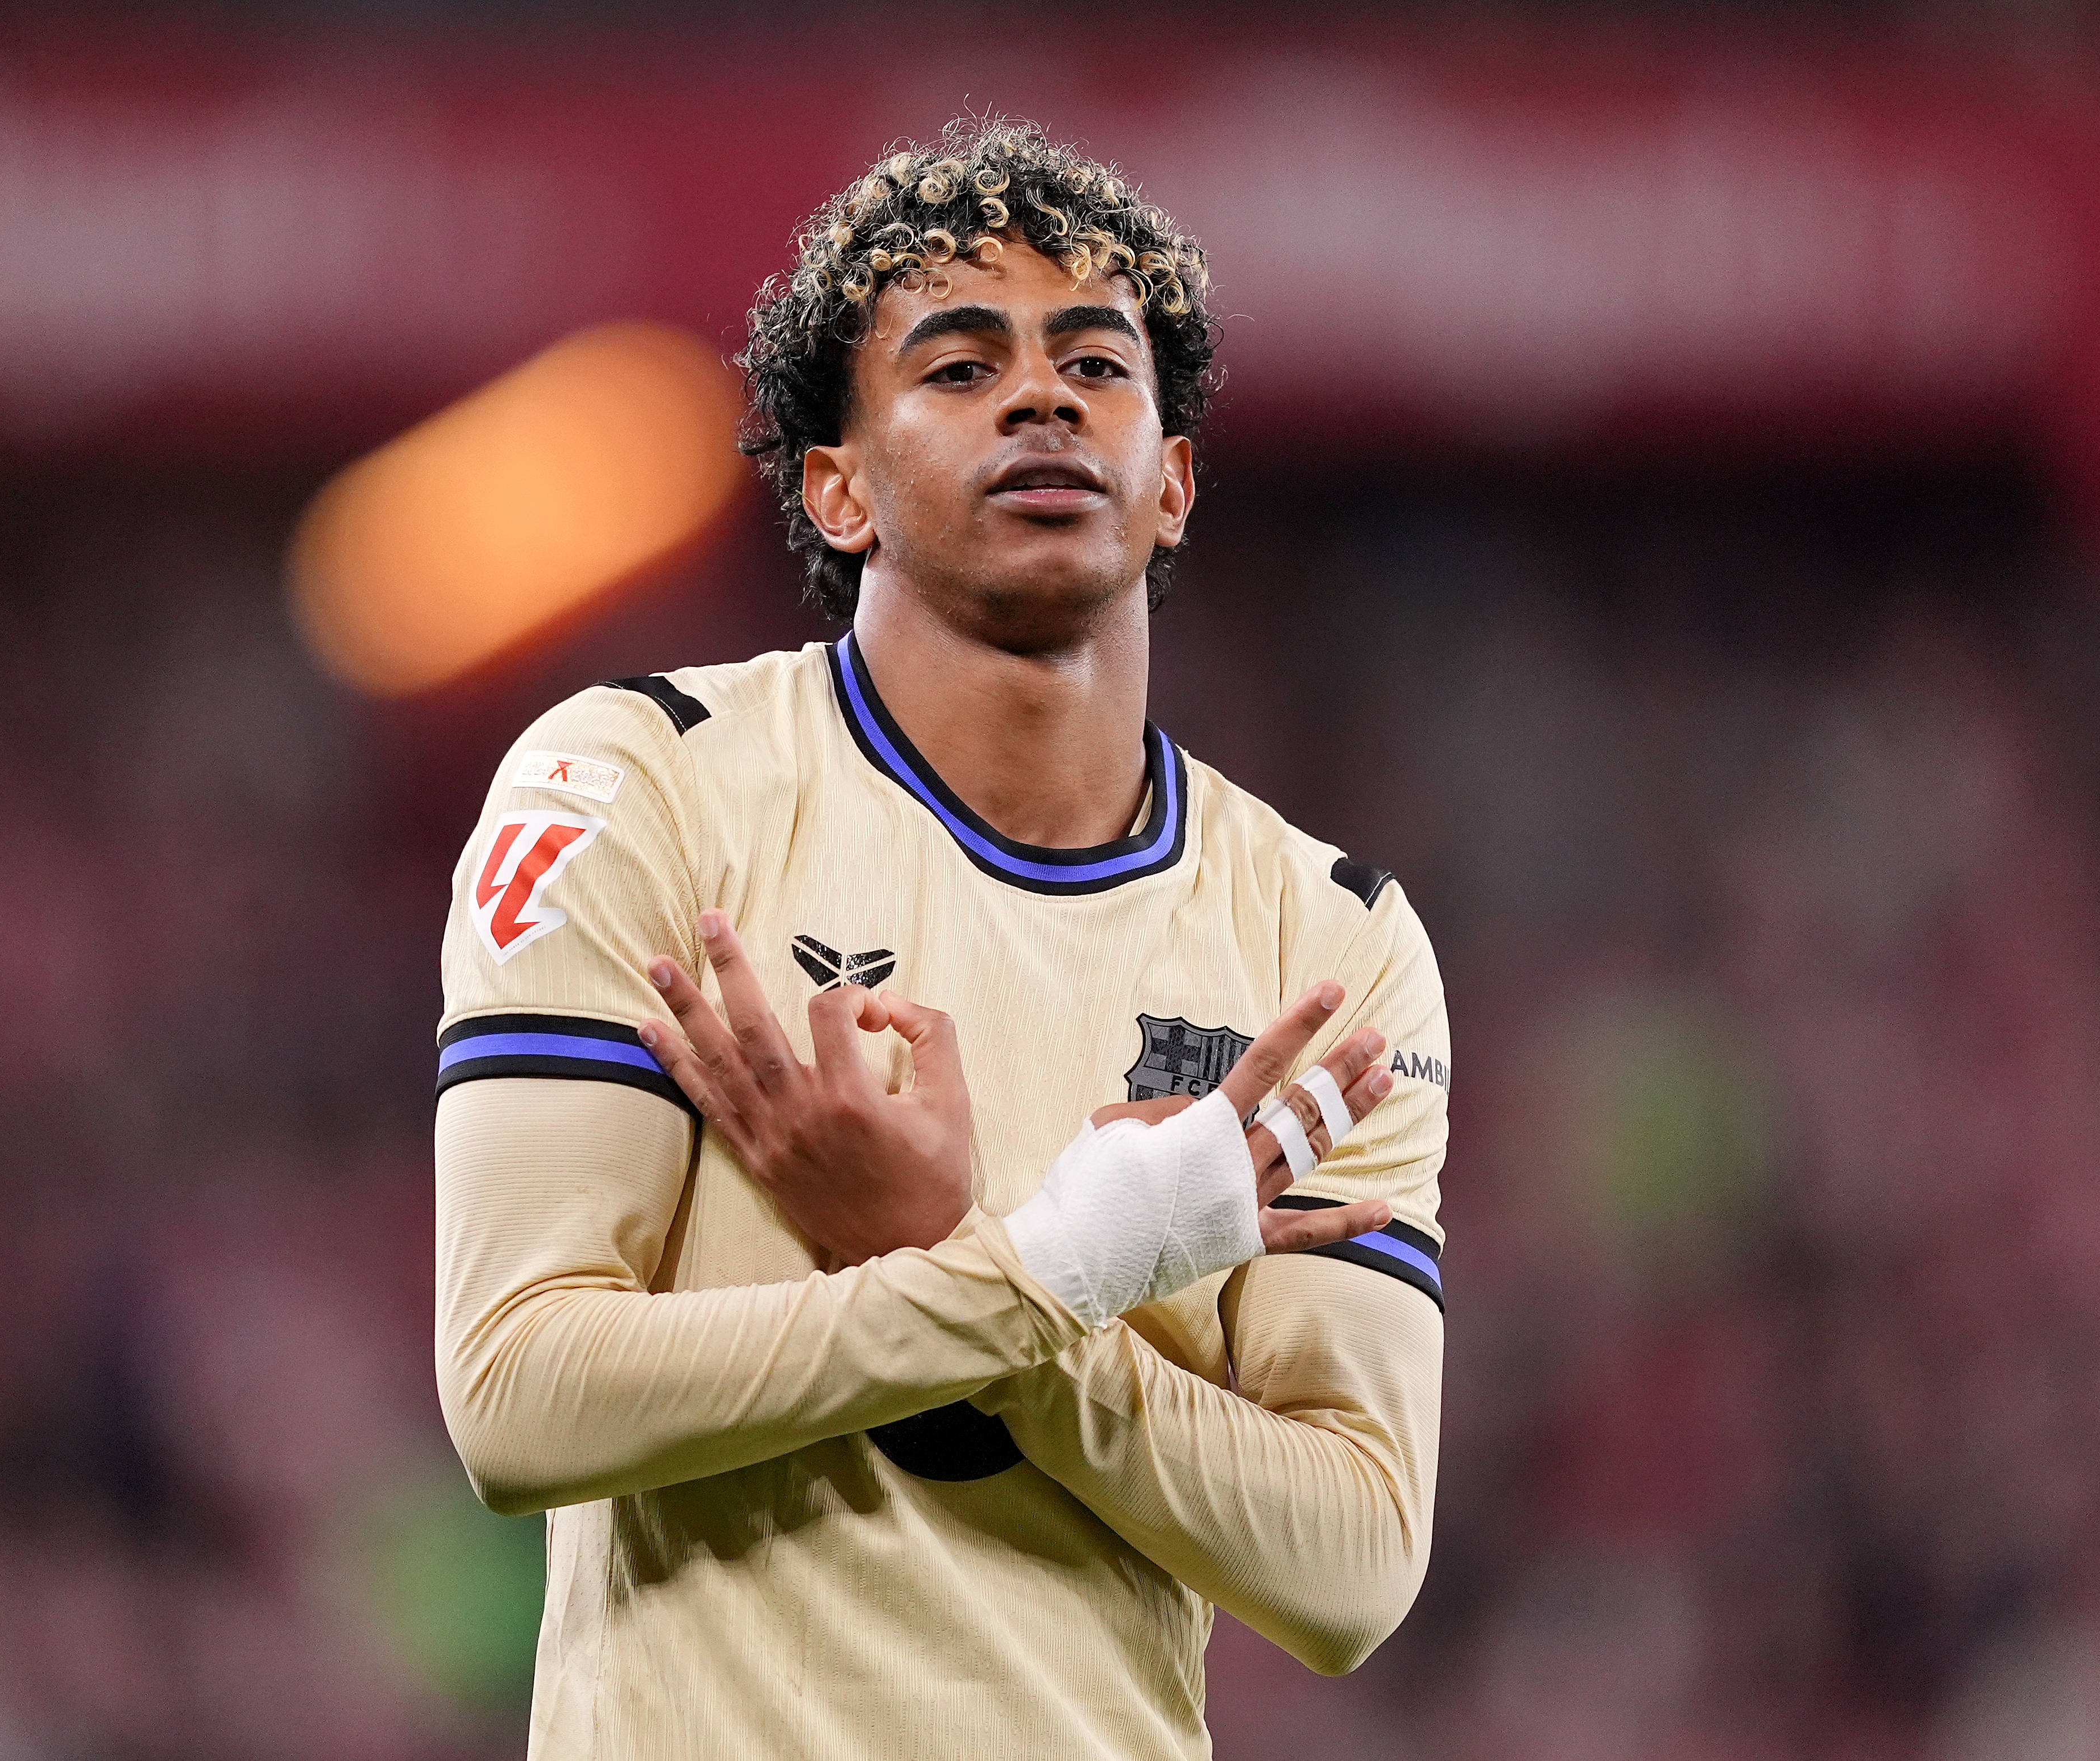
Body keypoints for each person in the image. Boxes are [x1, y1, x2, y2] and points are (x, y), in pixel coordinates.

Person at [434, 119, 1450, 1759]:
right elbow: (517, 1393)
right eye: (960, 365)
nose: (1040, 398)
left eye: (1094, 365)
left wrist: (963, 1269)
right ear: (836, 487)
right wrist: (1050, 1270)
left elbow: (1347, 1563)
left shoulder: (1323, 942)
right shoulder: (638, 784)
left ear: (1172, 481)